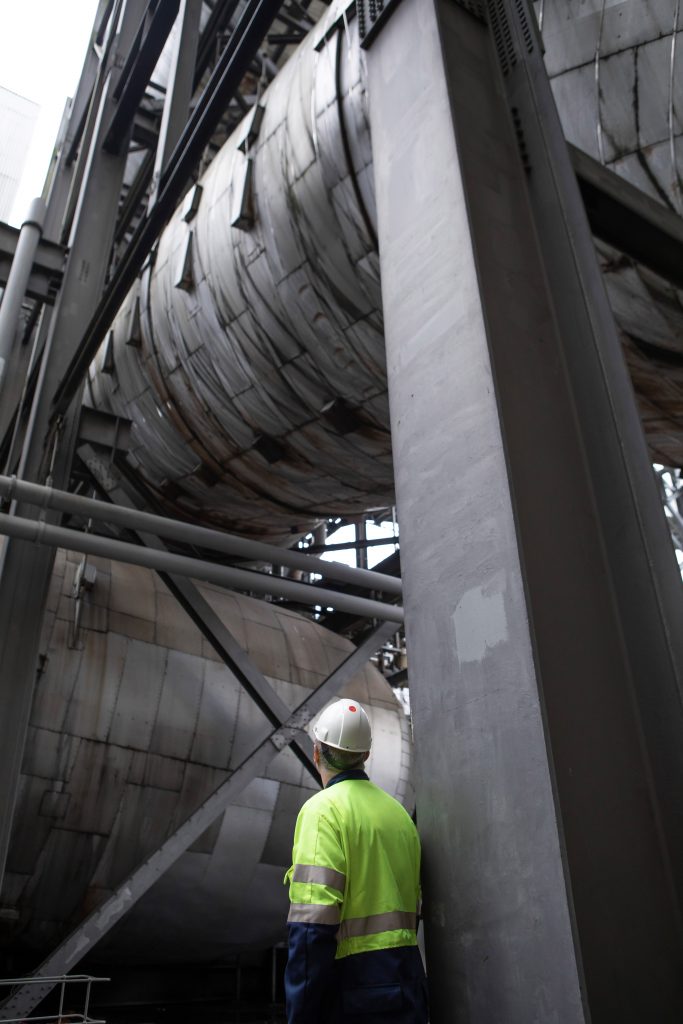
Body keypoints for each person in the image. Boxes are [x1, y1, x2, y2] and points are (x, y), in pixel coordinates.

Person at [284, 697, 429, 1023]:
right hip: (408, 989)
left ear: (317, 751)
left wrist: (300, 1011)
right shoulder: (399, 816)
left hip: (355, 994)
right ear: (365, 755)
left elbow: (312, 927)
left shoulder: (322, 812)